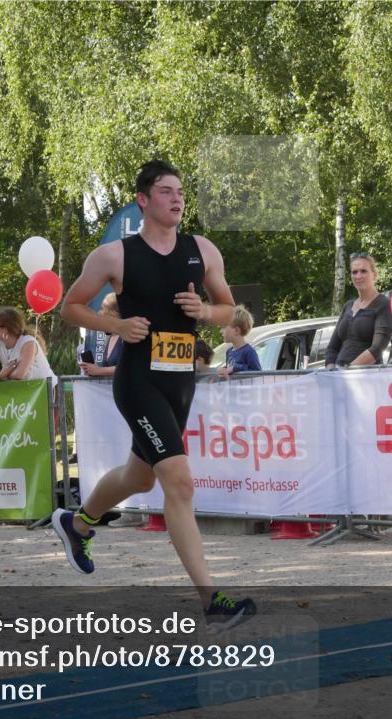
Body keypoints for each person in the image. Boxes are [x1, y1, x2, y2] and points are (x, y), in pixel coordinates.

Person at [56, 159, 255, 633]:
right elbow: (70, 307)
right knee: (180, 482)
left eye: (180, 191)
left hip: (179, 380)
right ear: (143, 200)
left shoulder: (202, 250)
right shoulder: (115, 256)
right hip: (139, 380)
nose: (177, 198)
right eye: (166, 191)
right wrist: (116, 325)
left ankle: (78, 524)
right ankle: (212, 602)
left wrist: (204, 311)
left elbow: (228, 306)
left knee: (139, 478)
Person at [325, 252, 392, 368]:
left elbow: (377, 348)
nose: (358, 276)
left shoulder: (384, 304)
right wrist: (331, 372)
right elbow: (332, 347)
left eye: (363, 271)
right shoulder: (348, 305)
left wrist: (347, 372)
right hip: (337, 378)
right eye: (354, 272)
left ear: (374, 275)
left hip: (365, 378)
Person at [0, 306, 56, 382]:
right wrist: (0, 375)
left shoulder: (28, 342)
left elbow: (19, 375)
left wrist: (2, 374)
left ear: (6, 329)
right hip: (27, 390)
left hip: (48, 390)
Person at [81, 293, 123, 378]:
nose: (99, 313)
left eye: (103, 309)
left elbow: (129, 367)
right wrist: (95, 369)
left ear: (113, 313)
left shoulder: (127, 336)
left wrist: (99, 371)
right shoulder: (110, 337)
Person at [217, 305, 261, 378]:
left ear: (236, 330)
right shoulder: (229, 351)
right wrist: (224, 370)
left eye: (224, 327)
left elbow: (257, 373)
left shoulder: (249, 351)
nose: (221, 331)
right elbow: (230, 370)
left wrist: (235, 368)